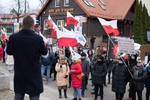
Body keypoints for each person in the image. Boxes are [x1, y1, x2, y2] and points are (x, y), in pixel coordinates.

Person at [6, 15, 48, 100]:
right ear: (33, 25)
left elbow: (8, 52)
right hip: (34, 75)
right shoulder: (38, 39)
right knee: (34, 97)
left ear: (22, 24)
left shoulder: (13, 37)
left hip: (19, 74)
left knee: (18, 96)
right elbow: (45, 54)